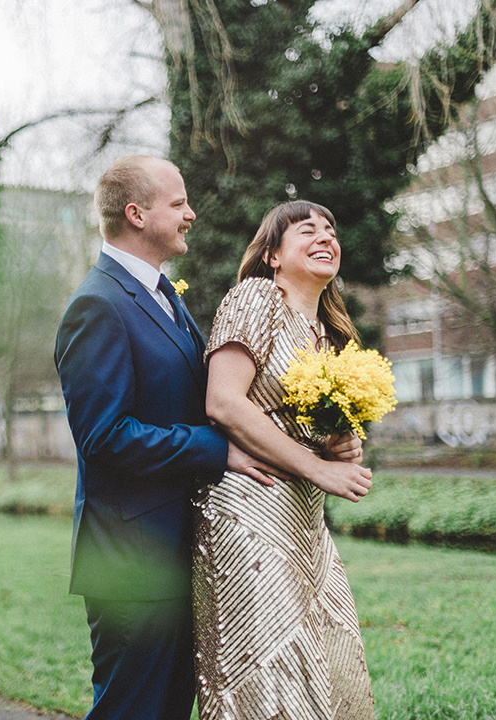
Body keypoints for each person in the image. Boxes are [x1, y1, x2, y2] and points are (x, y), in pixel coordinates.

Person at [55, 155, 282, 720]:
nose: (192, 214)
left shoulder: (164, 295)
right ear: (136, 214)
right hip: (132, 564)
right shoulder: (97, 305)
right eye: (178, 204)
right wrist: (217, 450)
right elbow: (105, 437)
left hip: (179, 552)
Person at [196, 200, 376, 719]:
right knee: (268, 668)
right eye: (307, 230)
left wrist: (341, 445)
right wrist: (318, 466)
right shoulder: (255, 297)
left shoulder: (328, 332)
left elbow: (317, 430)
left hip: (306, 517)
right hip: (249, 511)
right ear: (272, 254)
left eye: (331, 230)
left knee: (332, 658)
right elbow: (224, 403)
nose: (325, 237)